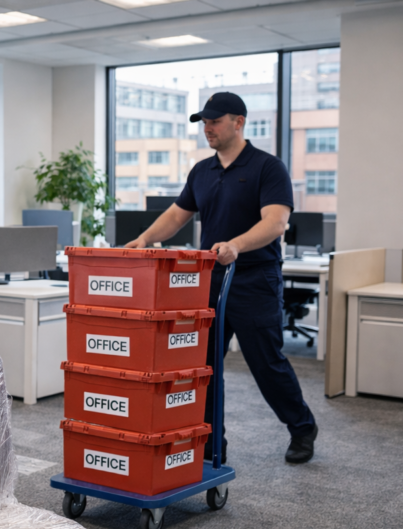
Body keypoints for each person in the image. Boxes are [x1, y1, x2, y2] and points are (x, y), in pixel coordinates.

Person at [125, 92, 318, 464]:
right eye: (204, 123)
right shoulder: (202, 170)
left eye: (214, 122)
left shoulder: (267, 167)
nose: (207, 129)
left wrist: (236, 245)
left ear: (238, 122)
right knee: (204, 365)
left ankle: (301, 426)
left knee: (266, 362)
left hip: (254, 278)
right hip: (208, 281)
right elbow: (178, 214)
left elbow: (275, 222)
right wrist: (147, 238)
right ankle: (212, 443)